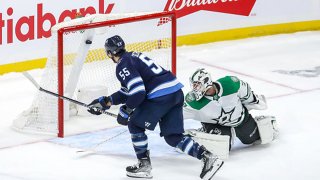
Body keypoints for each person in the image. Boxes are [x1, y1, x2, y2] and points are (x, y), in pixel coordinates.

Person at [87, 35, 223, 180]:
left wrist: (126, 110)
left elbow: (138, 91)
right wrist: (107, 102)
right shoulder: (134, 56)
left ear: (109, 53)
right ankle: (208, 157)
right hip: (175, 93)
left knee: (134, 124)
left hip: (160, 97)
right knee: (173, 137)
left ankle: (144, 165)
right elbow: (128, 91)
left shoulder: (122, 64)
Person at [183, 68, 279, 156]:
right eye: (194, 85)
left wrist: (255, 101)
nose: (195, 88)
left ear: (206, 82)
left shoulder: (230, 84)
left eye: (197, 85)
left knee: (250, 139)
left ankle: (261, 123)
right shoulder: (193, 101)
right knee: (221, 147)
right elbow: (179, 114)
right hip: (216, 125)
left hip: (240, 119)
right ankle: (199, 134)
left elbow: (246, 92)